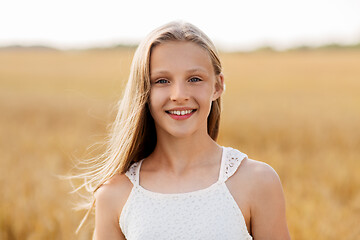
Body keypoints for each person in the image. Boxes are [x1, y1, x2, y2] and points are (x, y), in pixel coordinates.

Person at [74, 21, 291, 239]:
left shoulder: (257, 181)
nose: (179, 94)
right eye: (162, 81)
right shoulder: (115, 193)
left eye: (194, 79)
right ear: (144, 91)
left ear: (217, 86)